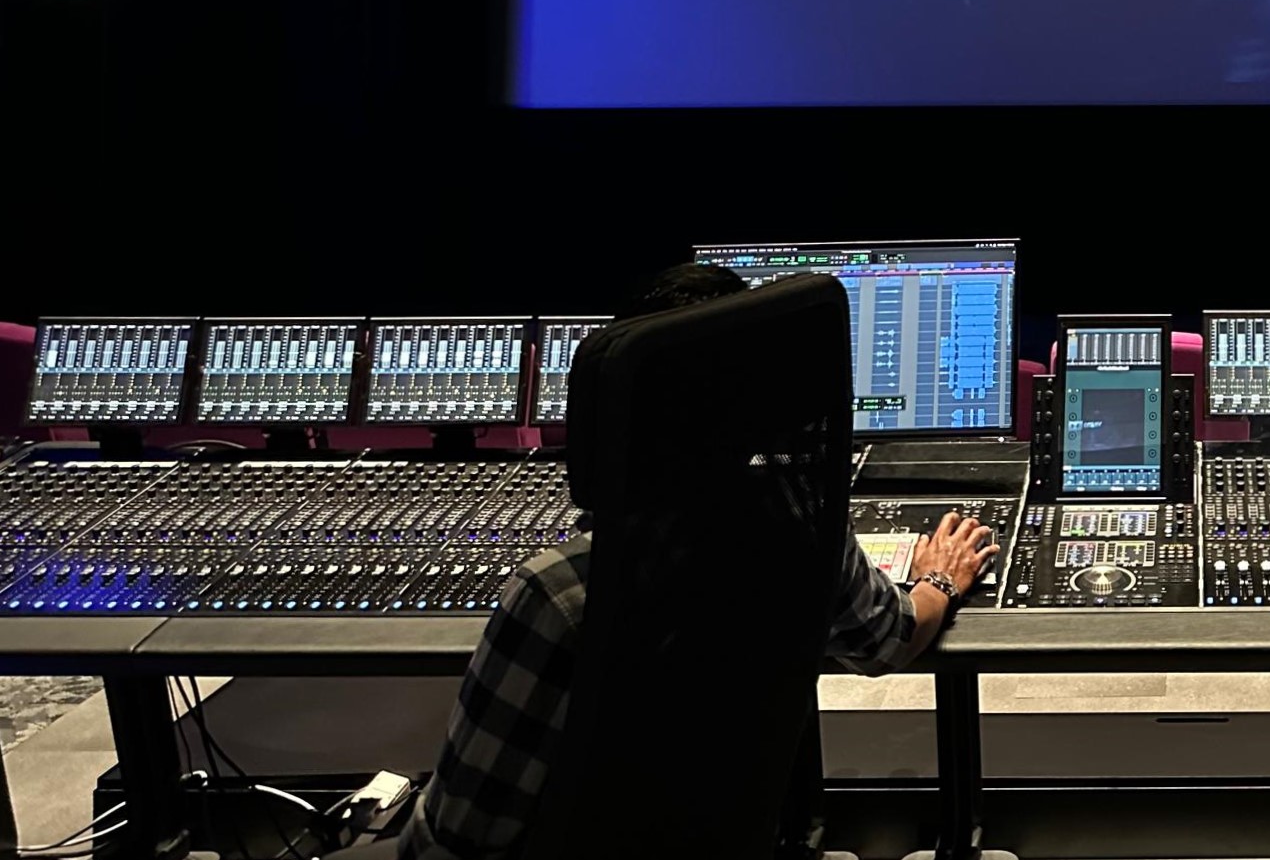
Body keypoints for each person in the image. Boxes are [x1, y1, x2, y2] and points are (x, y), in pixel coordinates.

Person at [395, 263, 999, 860]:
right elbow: (888, 639)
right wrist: (940, 579)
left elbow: (453, 842)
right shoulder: (801, 535)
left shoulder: (556, 594)